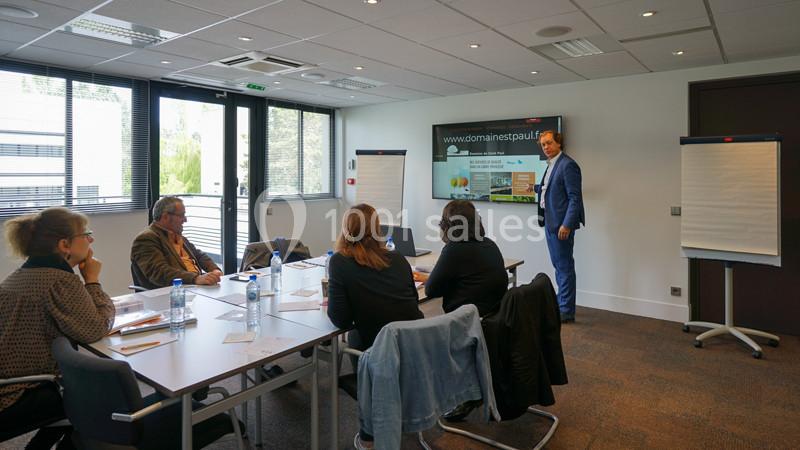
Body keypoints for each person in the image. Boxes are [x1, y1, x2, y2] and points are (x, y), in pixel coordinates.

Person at [0, 207, 115, 449]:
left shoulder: (18, 276)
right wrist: (92, 280)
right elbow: (96, 328)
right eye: (86, 234)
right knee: (103, 397)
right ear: (65, 245)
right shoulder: (61, 281)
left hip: (7, 383)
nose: (91, 239)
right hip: (18, 393)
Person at [327, 203, 423, 449]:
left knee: (356, 336)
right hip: (411, 342)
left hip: (378, 347)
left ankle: (369, 434)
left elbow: (341, 321)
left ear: (346, 229)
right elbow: (412, 301)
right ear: (378, 228)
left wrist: (339, 297)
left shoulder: (339, 262)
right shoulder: (398, 258)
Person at [425, 200, 508, 316]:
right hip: (494, 318)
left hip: (468, 325)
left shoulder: (454, 250)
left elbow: (430, 291)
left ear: (447, 226)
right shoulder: (489, 244)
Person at [535, 130, 585, 323]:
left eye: (548, 143)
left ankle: (566, 310)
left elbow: (575, 198)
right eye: (543, 144)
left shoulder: (568, 165)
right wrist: (536, 188)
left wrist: (567, 224)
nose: (545, 147)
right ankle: (562, 302)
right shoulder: (552, 164)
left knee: (564, 267)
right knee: (559, 266)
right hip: (550, 222)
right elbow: (553, 188)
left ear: (559, 143)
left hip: (561, 225)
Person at [130, 196, 222, 289]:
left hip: (193, 288)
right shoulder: (146, 239)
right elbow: (159, 272)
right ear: (165, 216)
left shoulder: (178, 236)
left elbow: (199, 255)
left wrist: (214, 270)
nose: (185, 219)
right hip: (171, 293)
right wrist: (195, 278)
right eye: (181, 215)